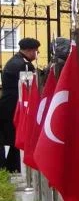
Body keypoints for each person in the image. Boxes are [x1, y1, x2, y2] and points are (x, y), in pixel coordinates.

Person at [0, 38, 39, 172]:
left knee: (12, 138)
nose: (37, 54)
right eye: (36, 51)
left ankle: (11, 167)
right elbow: (29, 88)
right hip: (15, 106)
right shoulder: (24, 65)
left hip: (7, 104)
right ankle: (13, 167)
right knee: (16, 137)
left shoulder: (14, 61)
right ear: (29, 50)